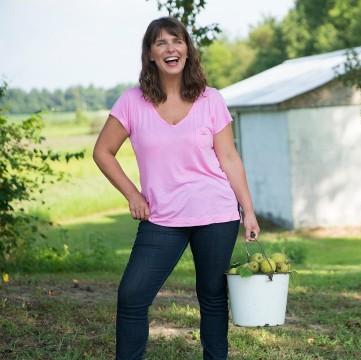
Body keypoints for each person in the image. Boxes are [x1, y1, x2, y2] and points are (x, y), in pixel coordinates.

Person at [92, 16, 260, 360]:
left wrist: (249, 211)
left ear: (187, 49)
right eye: (161, 42)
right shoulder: (131, 101)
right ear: (150, 54)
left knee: (212, 296)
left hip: (215, 211)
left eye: (177, 40)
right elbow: (102, 152)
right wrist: (132, 194)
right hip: (161, 216)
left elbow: (228, 156)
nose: (171, 48)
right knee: (132, 295)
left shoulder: (211, 99)